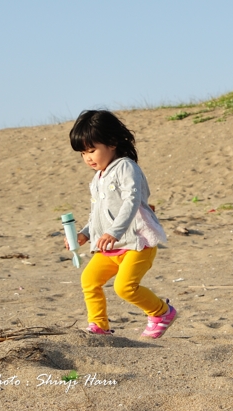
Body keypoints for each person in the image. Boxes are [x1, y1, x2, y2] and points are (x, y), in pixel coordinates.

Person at [67, 109, 176, 338]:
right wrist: (86, 234)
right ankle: (99, 326)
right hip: (110, 245)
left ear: (112, 142)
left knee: (124, 287)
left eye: (92, 150)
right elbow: (98, 213)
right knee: (89, 280)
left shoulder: (125, 167)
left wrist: (114, 232)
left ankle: (161, 312)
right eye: (83, 153)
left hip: (137, 241)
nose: (88, 158)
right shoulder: (97, 178)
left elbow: (131, 202)